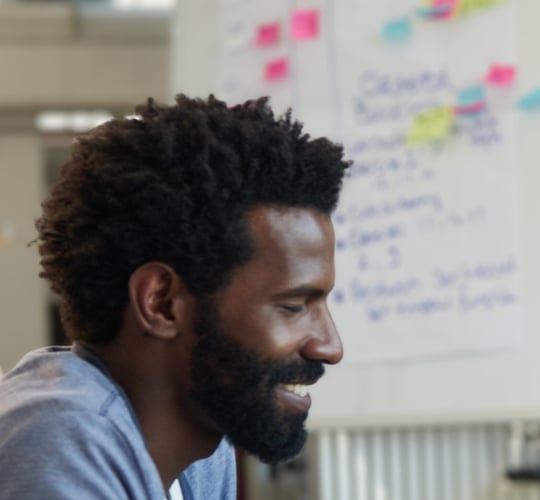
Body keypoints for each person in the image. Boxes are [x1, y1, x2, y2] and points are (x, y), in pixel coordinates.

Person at [0, 95, 349, 499]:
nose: (330, 346)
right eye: (292, 307)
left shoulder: (199, 448)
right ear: (161, 303)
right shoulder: (60, 439)